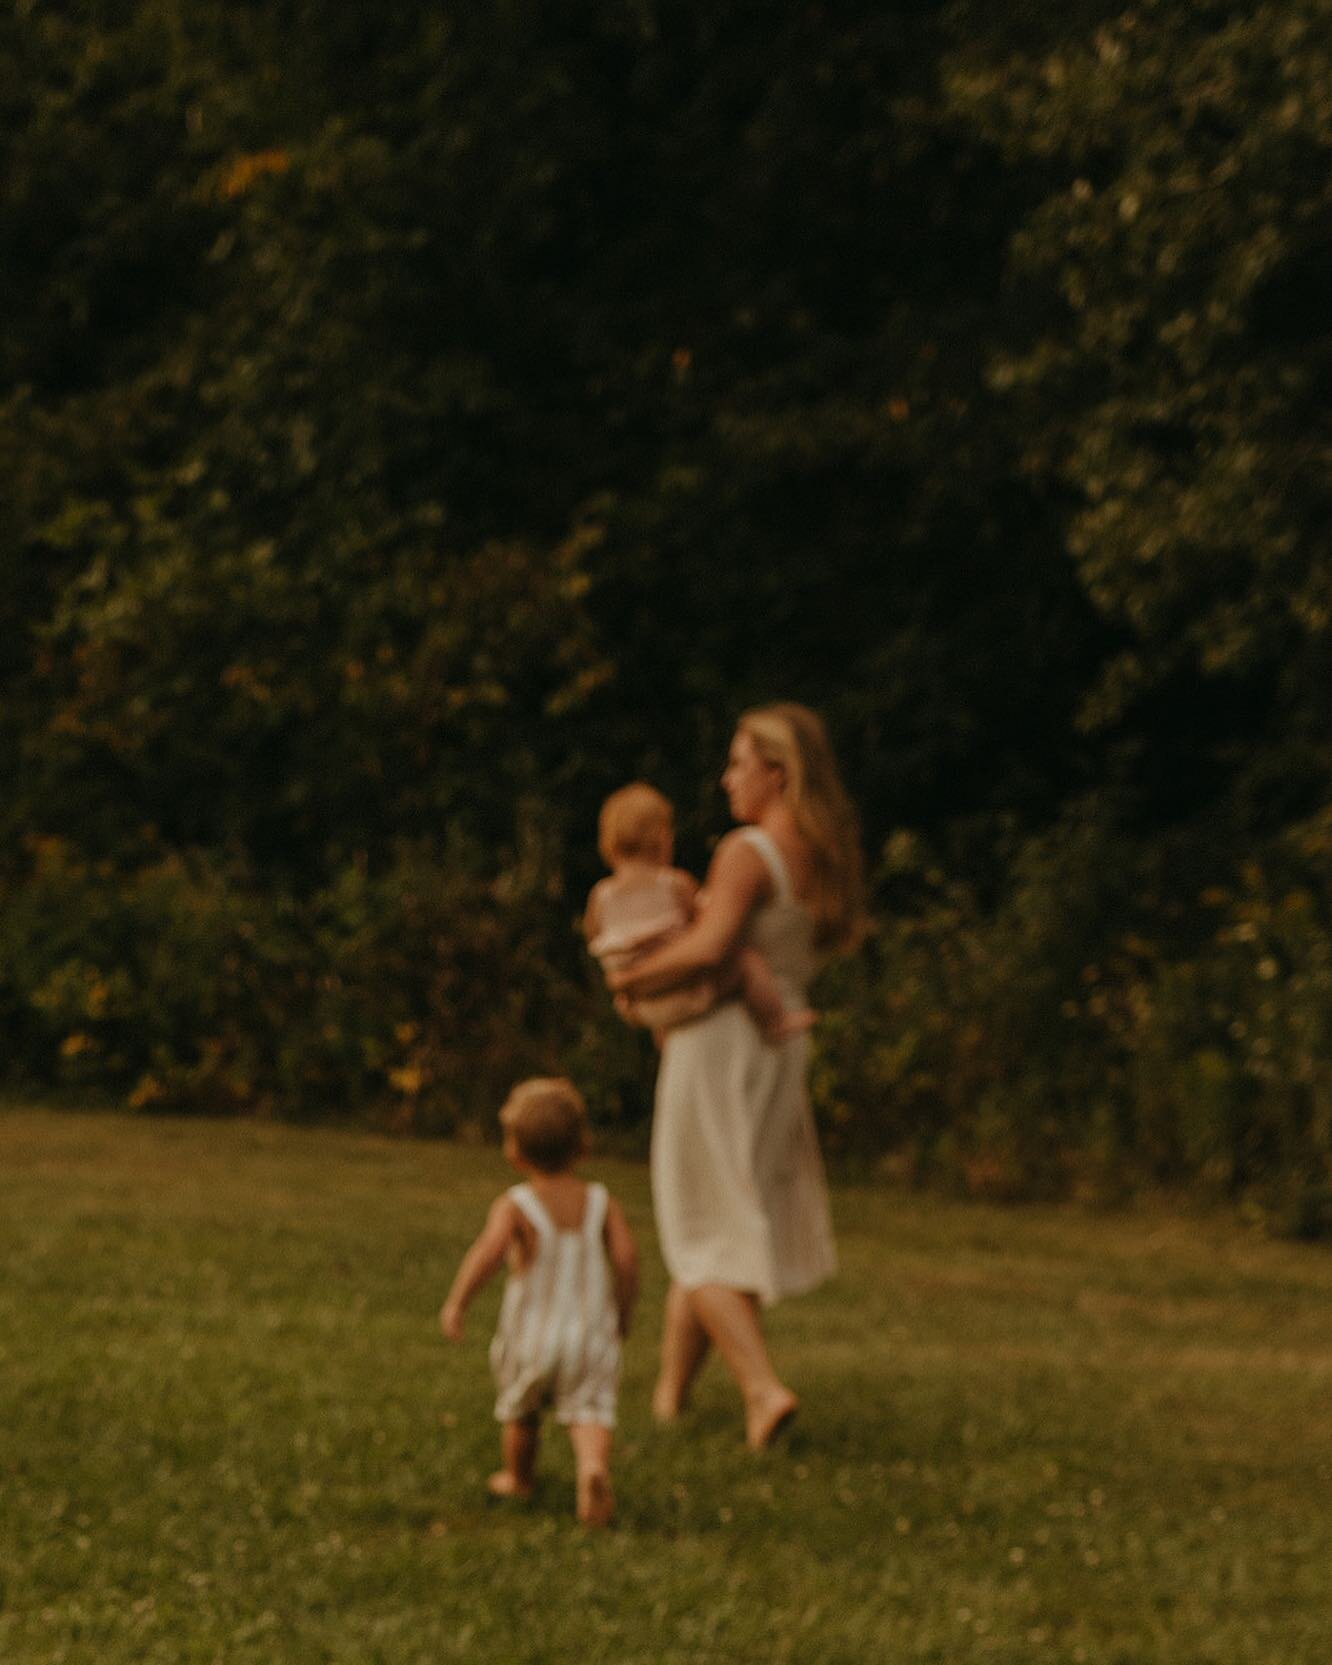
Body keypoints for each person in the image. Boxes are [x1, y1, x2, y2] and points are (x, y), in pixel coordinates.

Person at [610, 703, 864, 1450]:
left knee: (697, 1221)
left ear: (775, 773)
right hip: (782, 1039)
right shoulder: (825, 854)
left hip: (721, 1042)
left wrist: (632, 981)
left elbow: (710, 946)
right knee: (722, 1211)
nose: (727, 778)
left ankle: (761, 1387)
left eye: (738, 762)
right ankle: (669, 1399)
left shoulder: (747, 851)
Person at [439, 1077, 639, 1526]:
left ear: (515, 1153)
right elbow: (626, 1261)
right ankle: (591, 1468)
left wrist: (457, 1303)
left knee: (522, 1413)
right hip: (589, 1334)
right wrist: (623, 1313)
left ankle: (518, 1478)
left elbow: (487, 1255)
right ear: (583, 1147)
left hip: (531, 1336)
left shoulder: (516, 1205)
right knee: (589, 1409)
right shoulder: (602, 1202)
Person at [584, 781, 812, 1043]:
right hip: (689, 990)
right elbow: (703, 926)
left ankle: (666, 1036)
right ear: (661, 836)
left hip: (637, 1005)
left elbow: (594, 935)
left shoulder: (601, 895)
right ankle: (775, 1021)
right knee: (747, 964)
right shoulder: (673, 883)